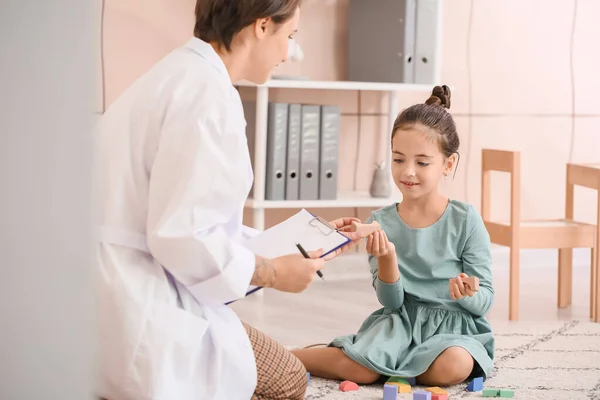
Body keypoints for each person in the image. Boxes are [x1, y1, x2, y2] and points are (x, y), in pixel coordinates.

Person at [94, 1, 360, 399]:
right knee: (286, 378)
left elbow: (196, 218)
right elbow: (181, 235)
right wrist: (273, 273)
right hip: (138, 307)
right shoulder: (209, 97)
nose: (288, 53)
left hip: (102, 292)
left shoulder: (176, 74)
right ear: (262, 25)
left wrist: (290, 244)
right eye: (289, 36)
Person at [292, 86, 495, 387]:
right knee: (362, 372)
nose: (408, 172)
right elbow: (391, 301)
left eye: (422, 162)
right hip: (399, 324)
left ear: (448, 164)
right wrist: (388, 258)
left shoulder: (466, 220)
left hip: (454, 330)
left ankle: (387, 364)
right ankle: (292, 355)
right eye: (399, 160)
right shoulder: (380, 222)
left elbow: (485, 300)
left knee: (454, 366)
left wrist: (468, 294)